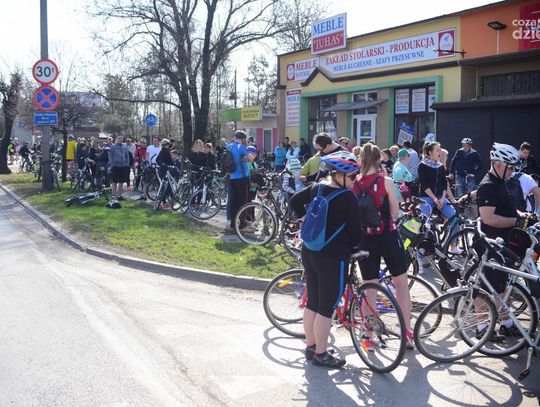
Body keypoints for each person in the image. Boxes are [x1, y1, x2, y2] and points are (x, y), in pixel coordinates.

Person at [289, 151, 362, 368]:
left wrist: (304, 218)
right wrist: (355, 244)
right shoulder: (348, 198)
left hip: (310, 251)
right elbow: (356, 233)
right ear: (339, 175)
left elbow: (294, 201)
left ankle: (311, 347)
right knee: (326, 307)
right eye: (353, 176)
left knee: (312, 302)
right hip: (333, 257)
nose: (355, 180)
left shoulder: (317, 187)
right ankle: (321, 353)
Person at [352, 143, 414, 349]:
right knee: (401, 285)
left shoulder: (355, 183)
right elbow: (395, 212)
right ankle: (406, 332)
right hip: (388, 237)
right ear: (379, 160)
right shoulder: (385, 181)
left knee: (370, 287)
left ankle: (368, 335)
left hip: (365, 239)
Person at [476, 143, 530, 336]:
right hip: (490, 243)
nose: (512, 172)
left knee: (501, 286)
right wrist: (516, 221)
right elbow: (488, 218)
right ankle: (482, 328)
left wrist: (521, 215)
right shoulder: (488, 186)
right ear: (498, 164)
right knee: (486, 287)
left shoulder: (499, 182)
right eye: (510, 168)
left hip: (501, 242)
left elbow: (504, 208)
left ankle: (506, 323)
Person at [417, 142, 459, 261]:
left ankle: (453, 245)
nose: (440, 152)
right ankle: (421, 255)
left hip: (441, 197)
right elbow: (424, 185)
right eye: (437, 150)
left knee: (454, 217)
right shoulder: (422, 165)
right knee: (424, 223)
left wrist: (443, 198)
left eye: (440, 149)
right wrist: (435, 199)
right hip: (426, 197)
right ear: (430, 153)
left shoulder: (440, 166)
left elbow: (444, 184)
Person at [226, 131, 252, 232]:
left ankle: (233, 224)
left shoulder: (229, 146)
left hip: (231, 177)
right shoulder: (241, 147)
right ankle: (242, 224)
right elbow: (250, 159)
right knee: (243, 201)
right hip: (242, 177)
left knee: (233, 201)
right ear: (243, 139)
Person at [108, 135, 130, 206]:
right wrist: (112, 165)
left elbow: (127, 156)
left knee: (121, 181)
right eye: (119, 138)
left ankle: (120, 195)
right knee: (114, 181)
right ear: (116, 139)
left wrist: (127, 164)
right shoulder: (113, 147)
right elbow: (110, 156)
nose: (120, 140)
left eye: (121, 138)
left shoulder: (125, 147)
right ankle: (113, 195)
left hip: (123, 166)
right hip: (115, 166)